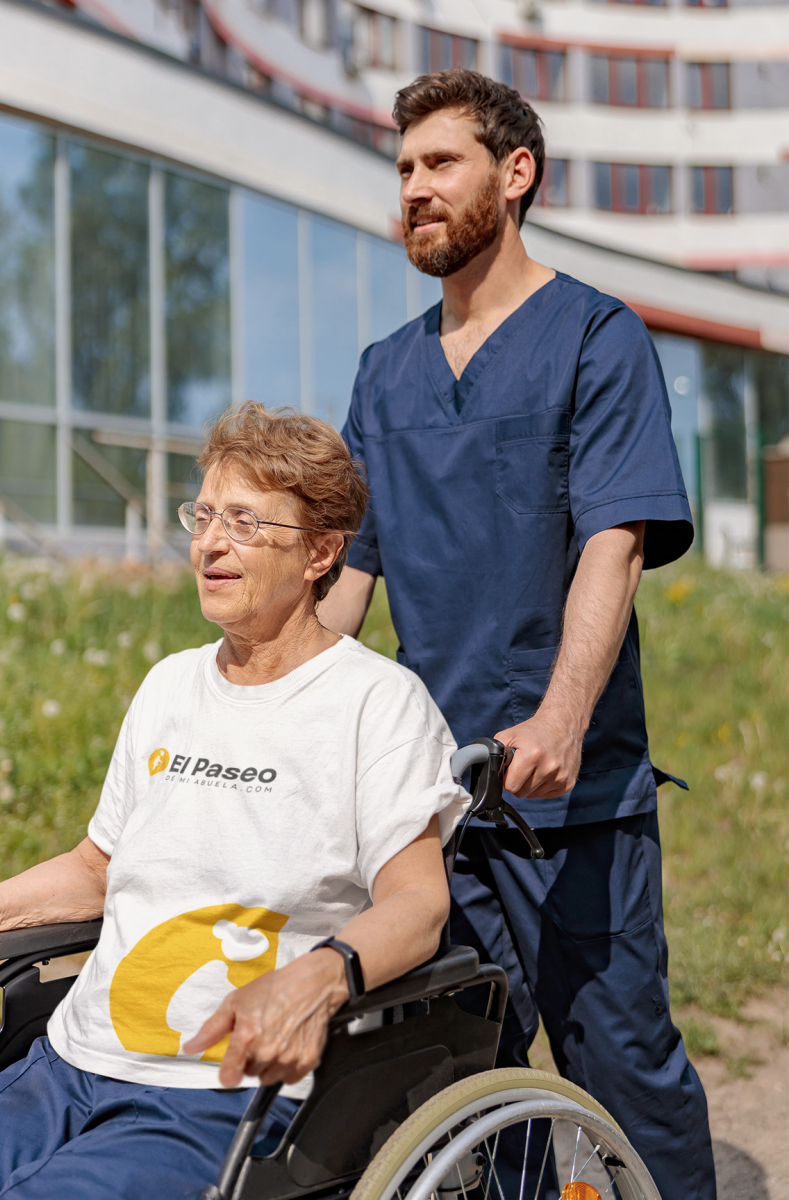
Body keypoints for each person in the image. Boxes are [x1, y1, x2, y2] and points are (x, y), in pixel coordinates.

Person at [0, 403, 464, 1199]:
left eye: (248, 523)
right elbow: (98, 868)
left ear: (322, 552)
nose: (211, 543)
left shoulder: (376, 704)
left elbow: (419, 903)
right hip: (71, 1061)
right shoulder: (169, 686)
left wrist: (321, 977)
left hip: (220, 1097)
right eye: (206, 515)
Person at [318, 69, 716, 1199]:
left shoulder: (595, 338)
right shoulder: (382, 374)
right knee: (465, 1090)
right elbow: (351, 575)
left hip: (565, 802)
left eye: (439, 164)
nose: (412, 189)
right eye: (401, 170)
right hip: (431, 809)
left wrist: (560, 717)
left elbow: (615, 542)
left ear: (515, 173)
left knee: (624, 1074)